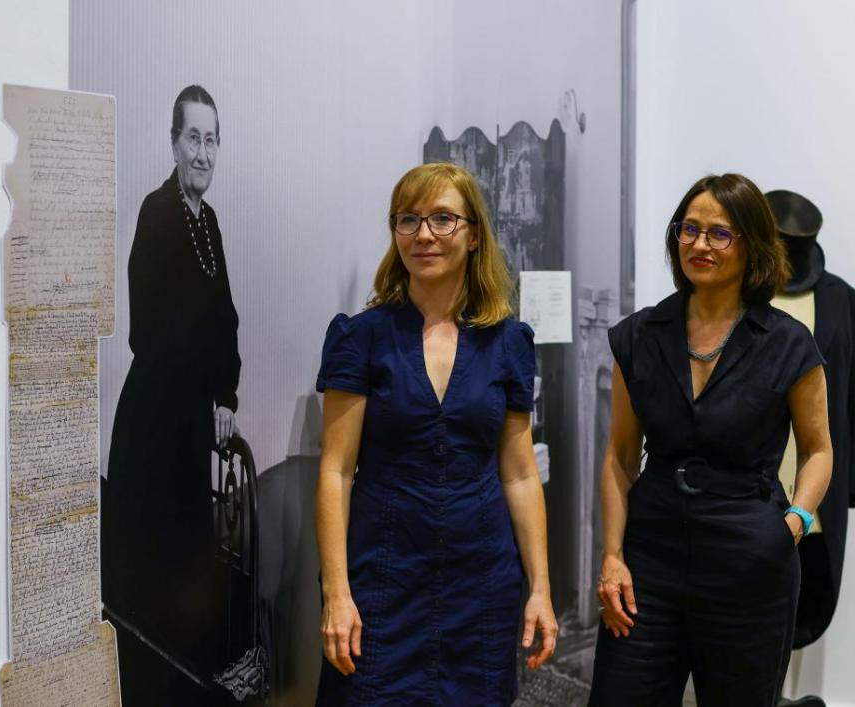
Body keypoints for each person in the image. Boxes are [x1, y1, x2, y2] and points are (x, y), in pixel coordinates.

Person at [314, 162, 557, 706]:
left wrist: (540, 587)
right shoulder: (361, 338)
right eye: (409, 219)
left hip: (481, 584)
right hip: (382, 579)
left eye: (443, 219)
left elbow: (520, 475)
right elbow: (336, 471)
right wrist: (336, 592)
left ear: (474, 235)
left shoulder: (508, 342)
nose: (423, 234)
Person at [589, 174, 833, 706]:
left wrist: (795, 521)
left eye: (719, 233)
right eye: (689, 229)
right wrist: (611, 556)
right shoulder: (638, 335)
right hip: (649, 560)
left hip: (750, 557)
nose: (700, 244)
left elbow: (818, 450)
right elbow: (620, 456)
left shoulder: (788, 343)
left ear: (751, 245)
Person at [101, 85, 240, 707]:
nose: (203, 153)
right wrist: (201, 391)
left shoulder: (208, 222)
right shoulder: (157, 212)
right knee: (154, 564)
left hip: (189, 416)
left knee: (190, 561)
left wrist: (226, 393)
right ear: (174, 143)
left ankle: (182, 689)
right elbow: (148, 331)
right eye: (193, 138)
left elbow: (224, 318)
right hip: (153, 419)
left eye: (211, 140)